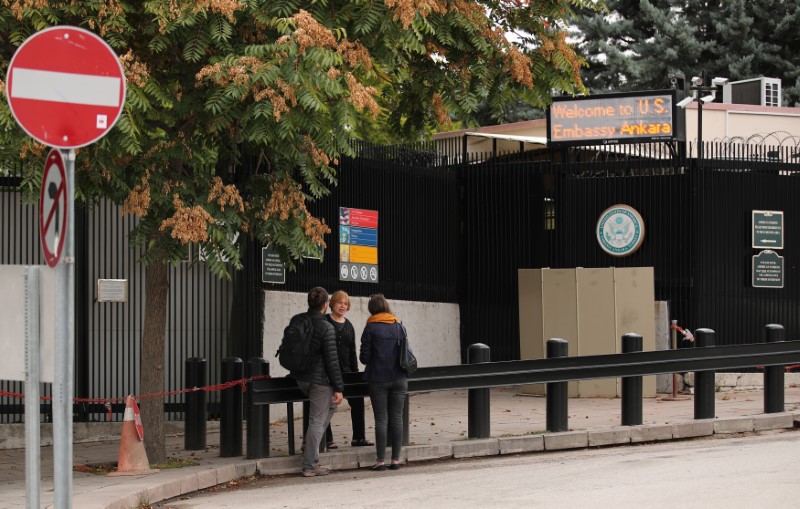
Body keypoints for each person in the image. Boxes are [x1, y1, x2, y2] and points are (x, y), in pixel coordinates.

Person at [291, 287, 344, 477]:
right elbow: (332, 360)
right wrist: (338, 387)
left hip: (301, 379)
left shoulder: (299, 322)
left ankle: (310, 445)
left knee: (327, 411)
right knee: (317, 419)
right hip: (320, 381)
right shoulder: (326, 327)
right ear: (325, 305)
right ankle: (310, 465)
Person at [359, 293, 407, 471]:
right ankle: (395, 460)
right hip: (399, 378)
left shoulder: (370, 328)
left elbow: (364, 358)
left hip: (377, 379)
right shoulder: (398, 326)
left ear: (372, 309)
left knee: (381, 419)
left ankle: (380, 461)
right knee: (396, 418)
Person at [324, 291, 374, 449]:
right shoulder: (324, 322)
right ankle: (328, 439)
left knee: (358, 401)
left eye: (345, 304)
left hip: (348, 372)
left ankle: (358, 438)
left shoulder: (349, 325)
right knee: (327, 406)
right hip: (328, 373)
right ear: (332, 303)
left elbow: (352, 351)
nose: (342, 306)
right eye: (339, 302)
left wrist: (355, 372)